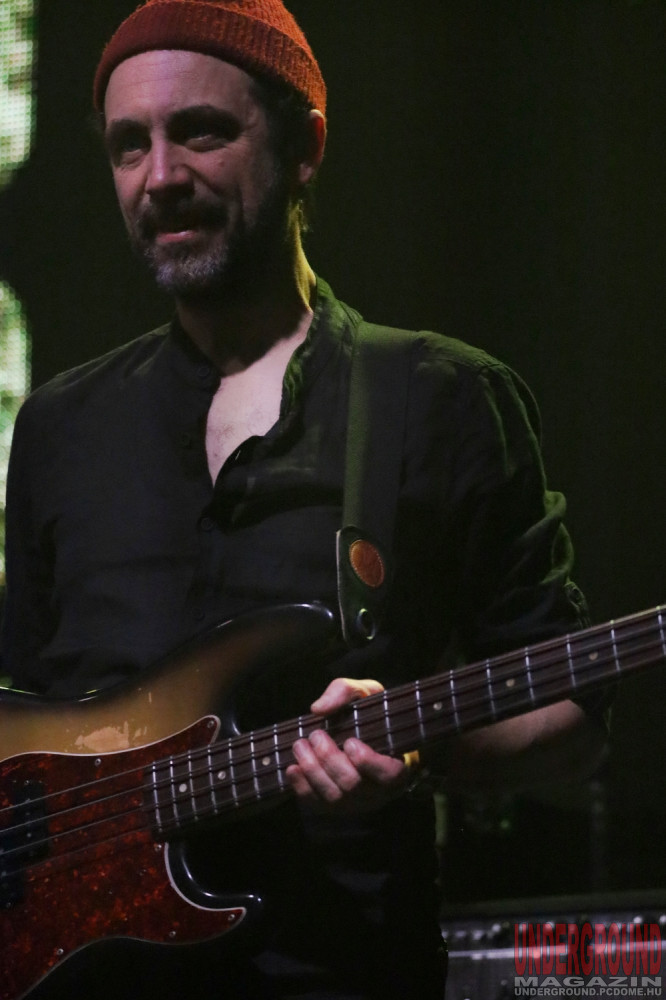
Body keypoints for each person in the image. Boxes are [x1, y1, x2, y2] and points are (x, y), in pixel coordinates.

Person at [0, 1, 607, 997]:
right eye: (128, 145)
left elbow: (573, 716)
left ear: (305, 146)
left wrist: (426, 749)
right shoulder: (59, 426)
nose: (161, 176)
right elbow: (23, 726)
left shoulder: (440, 398)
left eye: (202, 131)